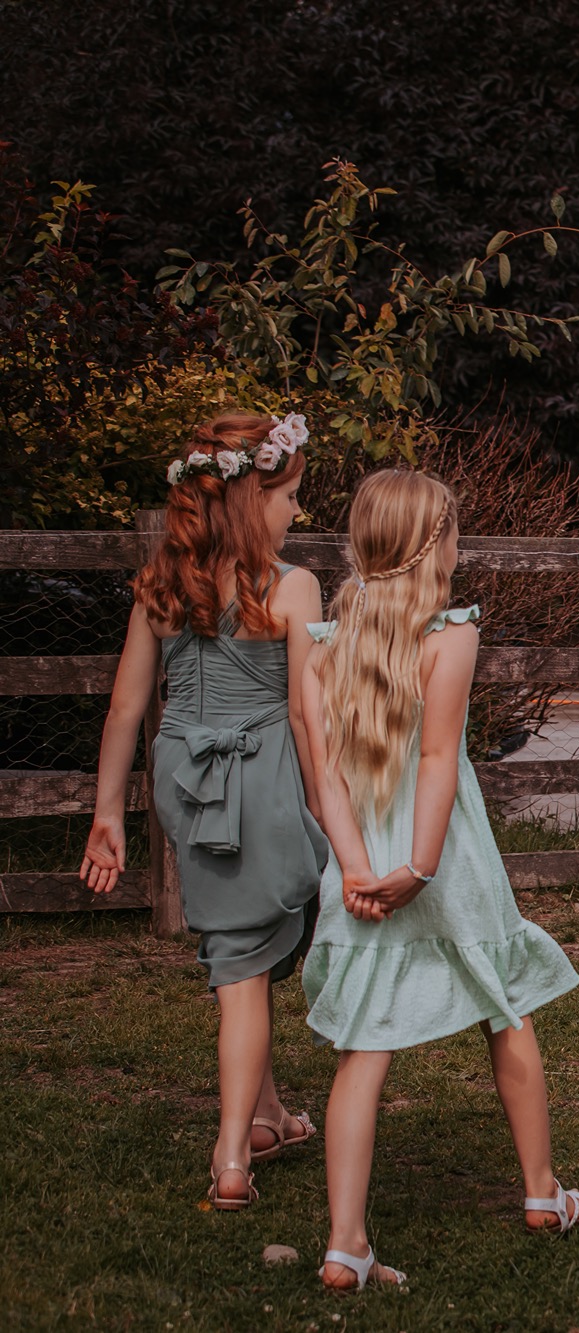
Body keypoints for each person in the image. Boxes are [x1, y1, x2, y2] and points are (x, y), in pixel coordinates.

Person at [302, 470, 579, 1292]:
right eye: (454, 535)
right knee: (506, 1005)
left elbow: (325, 777)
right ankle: (541, 1190)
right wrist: (418, 868)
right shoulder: (451, 636)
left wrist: (356, 866)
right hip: (445, 858)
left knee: (364, 1043)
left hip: (363, 860)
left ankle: (345, 1243)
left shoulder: (323, 647)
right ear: (433, 547)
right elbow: (437, 758)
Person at [79, 412, 327, 1211]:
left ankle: (266, 1114)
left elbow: (126, 708)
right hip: (262, 782)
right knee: (246, 964)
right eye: (289, 496)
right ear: (252, 501)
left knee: (237, 949)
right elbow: (305, 717)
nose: (297, 511)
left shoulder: (163, 586)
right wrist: (329, 809)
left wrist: (108, 813)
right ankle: (231, 1157)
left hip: (185, 784)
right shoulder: (293, 587)